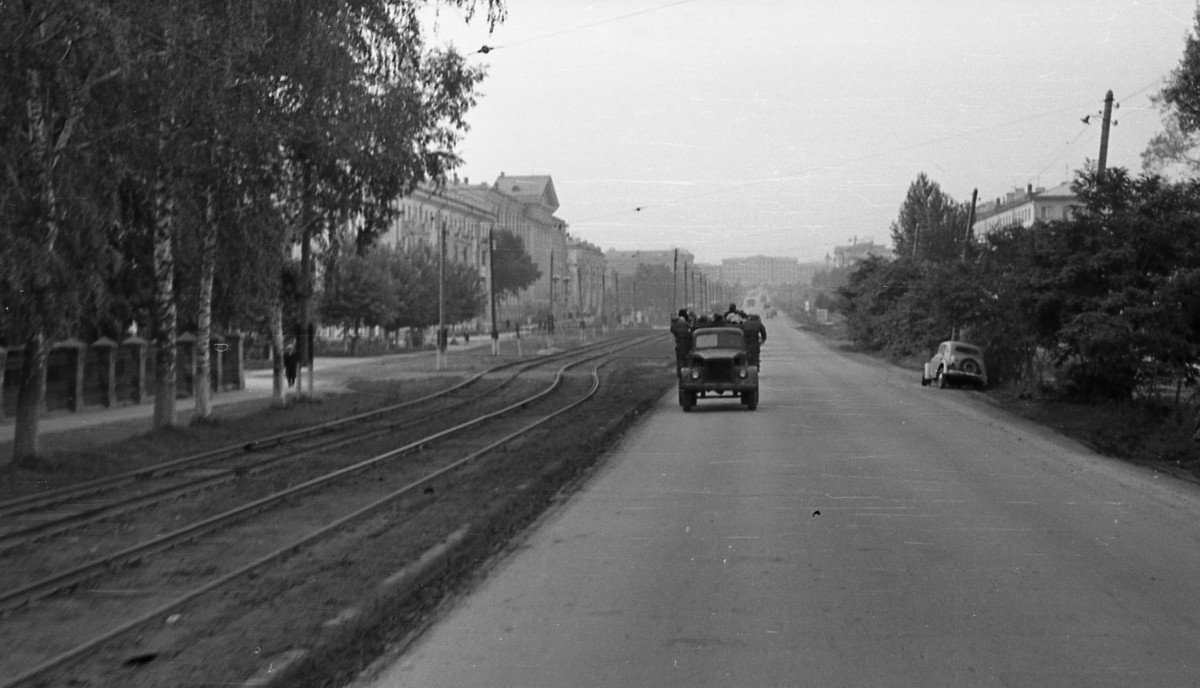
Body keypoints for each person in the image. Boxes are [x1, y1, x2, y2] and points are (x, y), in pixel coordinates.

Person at [670, 309, 692, 377]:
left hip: (679, 342)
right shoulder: (684, 322)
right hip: (686, 341)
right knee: (687, 358)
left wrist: (677, 333)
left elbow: (672, 330)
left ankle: (680, 373)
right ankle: (687, 374)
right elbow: (690, 327)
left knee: (680, 359)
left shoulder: (675, 324)